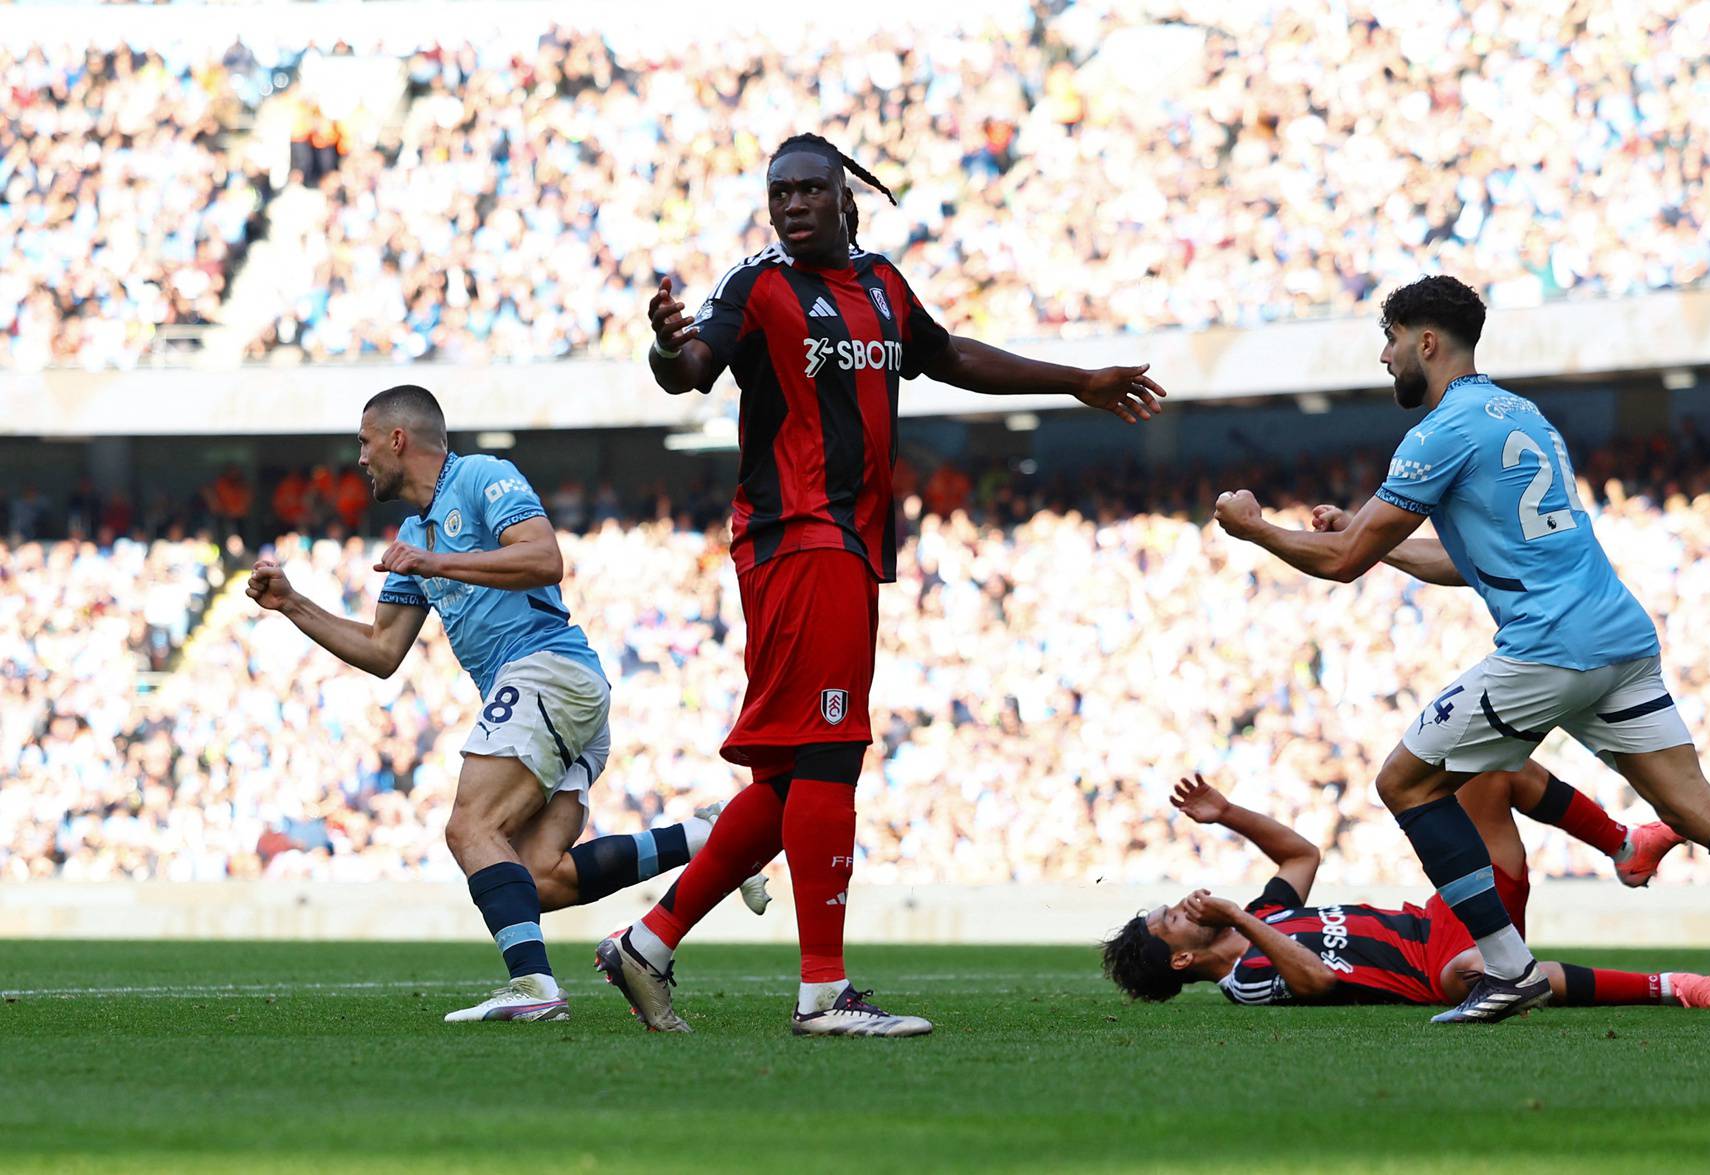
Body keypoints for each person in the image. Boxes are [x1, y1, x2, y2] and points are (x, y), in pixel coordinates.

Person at [602, 132, 1167, 1037]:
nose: (791, 206)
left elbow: (948, 355)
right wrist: (667, 349)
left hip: (855, 545)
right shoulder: (756, 286)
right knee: (829, 754)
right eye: (778, 192)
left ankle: (649, 942)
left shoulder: (881, 285)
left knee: (795, 773)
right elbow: (692, 369)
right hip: (798, 539)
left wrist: (1074, 382)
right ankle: (822, 993)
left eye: (808, 191)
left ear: (844, 196)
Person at [1210, 276, 1710, 1027]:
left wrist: (1256, 526)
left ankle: (1510, 971)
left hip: (1550, 644)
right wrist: (1380, 547)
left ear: (1427, 342)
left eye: (1391, 338)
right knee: (1701, 808)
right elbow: (1474, 558)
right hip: (1618, 634)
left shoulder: (1438, 433)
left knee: (1405, 782)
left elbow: (1340, 561)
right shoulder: (1522, 416)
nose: (1385, 355)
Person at [247, 384, 766, 1023]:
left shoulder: (482, 478)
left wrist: (438, 560)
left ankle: (533, 987)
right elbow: (383, 652)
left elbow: (546, 559)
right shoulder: (414, 534)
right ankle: (710, 834)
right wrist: (293, 604)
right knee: (536, 878)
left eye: (363, 442)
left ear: (397, 440)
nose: (359, 459)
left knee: (471, 827)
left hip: (549, 669)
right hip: (553, 690)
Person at [1103, 769, 1710, 1012]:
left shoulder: (1264, 916)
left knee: (1493, 770)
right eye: (1173, 919)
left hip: (1443, 912)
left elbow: (1302, 854)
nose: (1185, 903)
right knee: (1474, 971)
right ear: (1182, 959)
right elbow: (1317, 981)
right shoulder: (1245, 980)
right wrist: (1239, 916)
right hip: (1436, 970)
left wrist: (1229, 812)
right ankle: (1668, 987)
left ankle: (1624, 846)